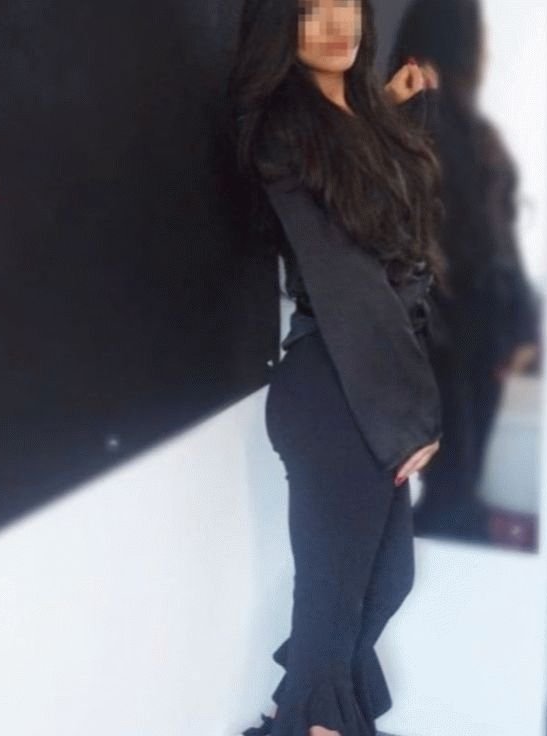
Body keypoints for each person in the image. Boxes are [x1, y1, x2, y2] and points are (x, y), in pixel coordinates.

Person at [225, 2, 447, 734]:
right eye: (308, 11)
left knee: (384, 583)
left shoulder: (356, 117)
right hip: (337, 388)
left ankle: (288, 714)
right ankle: (312, 718)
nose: (334, 24)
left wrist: (389, 103)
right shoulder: (283, 134)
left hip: (368, 383)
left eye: (344, 3)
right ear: (279, 30)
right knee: (334, 604)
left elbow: (367, 183)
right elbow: (349, 283)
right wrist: (408, 417)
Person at [388, 0, 541, 542]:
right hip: (446, 330)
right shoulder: (423, 119)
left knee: (457, 480)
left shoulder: (458, 124)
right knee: (453, 482)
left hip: (468, 326)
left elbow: (493, 230)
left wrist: (518, 325)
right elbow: (475, 231)